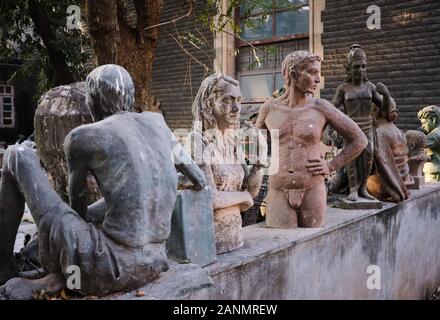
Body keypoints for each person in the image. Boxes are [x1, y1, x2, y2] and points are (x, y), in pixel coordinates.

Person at [0, 64, 206, 298]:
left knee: (17, 155)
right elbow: (199, 179)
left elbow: (77, 218)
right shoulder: (158, 124)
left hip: (106, 268)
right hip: (155, 263)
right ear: (130, 98)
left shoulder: (82, 137)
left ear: (92, 100)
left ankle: (8, 267)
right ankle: (63, 278)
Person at [255, 50, 367, 228]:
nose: (318, 79)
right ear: (294, 74)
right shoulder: (269, 108)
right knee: (281, 242)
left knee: (314, 241)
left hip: (312, 187)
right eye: (312, 72)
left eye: (318, 73)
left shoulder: (321, 108)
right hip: (278, 187)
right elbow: (255, 141)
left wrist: (331, 165)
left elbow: (360, 140)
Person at [187, 73, 266, 253]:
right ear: (209, 104)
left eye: (238, 100)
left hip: (236, 238)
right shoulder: (197, 140)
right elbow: (210, 198)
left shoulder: (233, 141)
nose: (237, 107)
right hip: (210, 244)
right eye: (228, 100)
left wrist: (260, 159)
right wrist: (243, 198)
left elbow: (251, 191)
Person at [331, 44, 388, 201]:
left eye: (363, 66)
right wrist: (332, 127)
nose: (361, 70)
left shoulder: (370, 87)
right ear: (349, 68)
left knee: (367, 158)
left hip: (368, 127)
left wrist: (387, 94)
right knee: (352, 159)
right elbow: (332, 109)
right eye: (356, 67)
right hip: (350, 128)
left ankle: (363, 189)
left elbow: (383, 107)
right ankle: (353, 190)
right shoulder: (343, 88)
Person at [366, 86, 410, 202]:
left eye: (370, 109)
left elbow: (375, 163)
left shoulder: (379, 133)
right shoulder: (400, 132)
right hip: (404, 180)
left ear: (376, 111)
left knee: (357, 182)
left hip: (386, 186)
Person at [417, 105, 440, 181]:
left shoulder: (435, 135)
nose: (423, 126)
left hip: (434, 176)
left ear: (433, 120)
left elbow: (415, 146)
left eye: (424, 123)